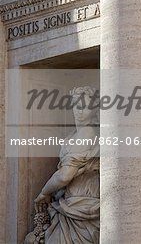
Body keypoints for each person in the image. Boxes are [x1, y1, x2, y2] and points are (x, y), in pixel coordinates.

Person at [25, 86, 100, 244]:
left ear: (94, 110)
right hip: (68, 203)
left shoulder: (88, 135)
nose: (79, 111)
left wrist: (43, 193)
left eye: (84, 107)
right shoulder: (72, 136)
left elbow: (65, 175)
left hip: (83, 204)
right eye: (76, 106)